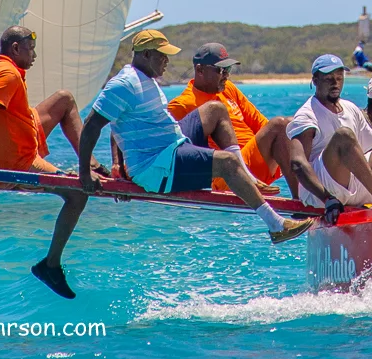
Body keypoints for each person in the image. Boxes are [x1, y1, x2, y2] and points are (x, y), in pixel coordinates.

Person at [70, 31, 314, 295]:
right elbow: (95, 124)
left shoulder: (148, 81)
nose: (167, 61)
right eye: (162, 56)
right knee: (227, 162)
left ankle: (253, 173)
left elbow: (125, 127)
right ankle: (276, 226)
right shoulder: (125, 84)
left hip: (172, 147)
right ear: (146, 55)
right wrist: (91, 171)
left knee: (216, 109)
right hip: (158, 165)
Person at [0, 26, 107, 300]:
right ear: (15, 48)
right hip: (20, 161)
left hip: (24, 133)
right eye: (30, 48)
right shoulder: (7, 74)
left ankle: (90, 163)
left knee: (64, 99)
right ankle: (50, 264)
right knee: (77, 195)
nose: (35, 54)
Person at [287, 55, 372, 211]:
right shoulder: (306, 114)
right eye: (329, 79)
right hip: (323, 194)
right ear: (315, 80)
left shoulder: (350, 108)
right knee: (344, 136)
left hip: (357, 186)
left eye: (339, 78)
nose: (335, 83)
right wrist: (327, 199)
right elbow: (297, 163)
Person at [167, 42, 296, 197]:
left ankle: (317, 192)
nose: (226, 75)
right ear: (200, 70)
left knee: (292, 126)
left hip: (256, 167)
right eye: (221, 70)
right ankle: (300, 202)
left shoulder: (229, 88)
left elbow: (261, 124)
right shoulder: (182, 104)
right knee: (280, 125)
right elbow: (163, 145)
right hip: (228, 175)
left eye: (228, 69)